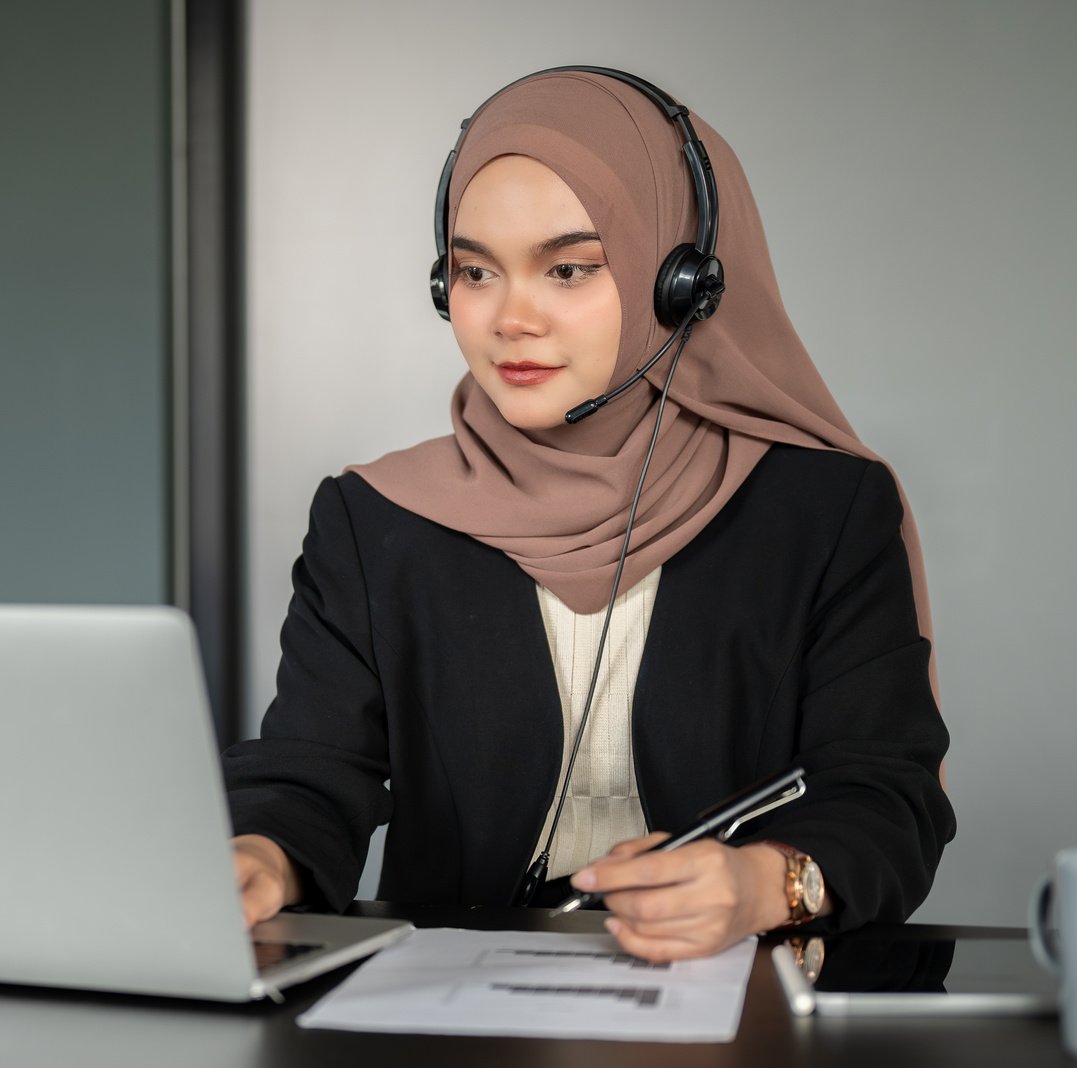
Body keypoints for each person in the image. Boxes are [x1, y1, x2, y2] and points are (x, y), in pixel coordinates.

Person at [226, 67, 954, 963]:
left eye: (568, 268)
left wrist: (758, 884)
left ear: (679, 282)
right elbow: (309, 770)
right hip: (449, 1042)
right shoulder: (375, 519)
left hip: (739, 1028)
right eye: (474, 271)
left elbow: (889, 795)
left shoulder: (821, 510)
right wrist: (259, 856)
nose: (510, 318)